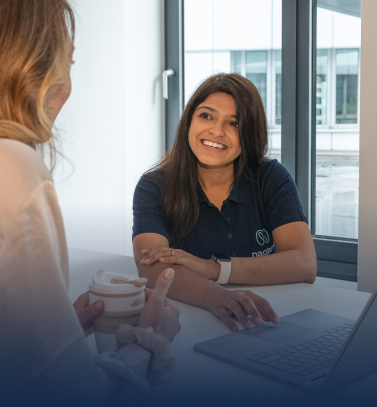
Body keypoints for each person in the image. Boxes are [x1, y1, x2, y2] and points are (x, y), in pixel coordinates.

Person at [0, 0, 180, 405]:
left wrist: (56, 333)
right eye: (67, 62)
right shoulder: (10, 167)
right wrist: (147, 339)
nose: (69, 86)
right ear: (30, 66)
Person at [133, 73, 317, 333]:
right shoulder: (154, 186)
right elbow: (150, 268)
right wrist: (216, 296)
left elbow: (305, 264)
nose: (216, 131)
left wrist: (213, 268)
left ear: (251, 134)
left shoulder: (270, 177)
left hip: (270, 317)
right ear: (189, 120)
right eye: (206, 115)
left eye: (234, 124)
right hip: (190, 321)